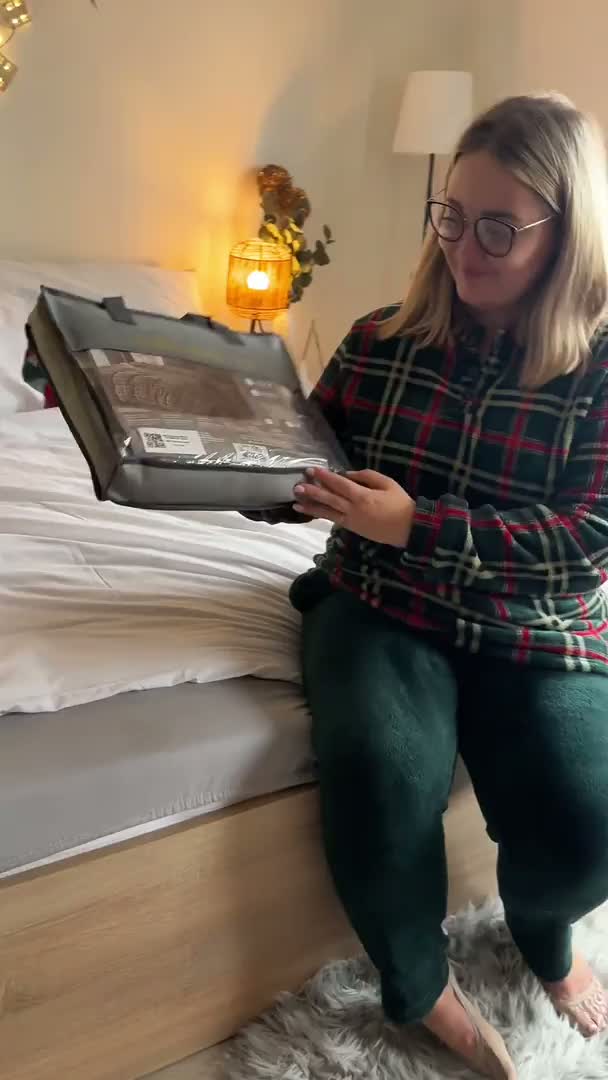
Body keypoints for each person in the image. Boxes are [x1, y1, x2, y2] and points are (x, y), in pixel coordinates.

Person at [249, 92, 608, 1078]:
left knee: (589, 825)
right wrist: (223, 453)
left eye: (499, 227)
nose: (463, 246)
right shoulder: (379, 341)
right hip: (382, 603)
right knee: (378, 769)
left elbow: (588, 539)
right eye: (453, 216)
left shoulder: (596, 370)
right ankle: (421, 986)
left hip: (535, 625)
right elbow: (301, 470)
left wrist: (418, 523)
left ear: (566, 233)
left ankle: (542, 930)